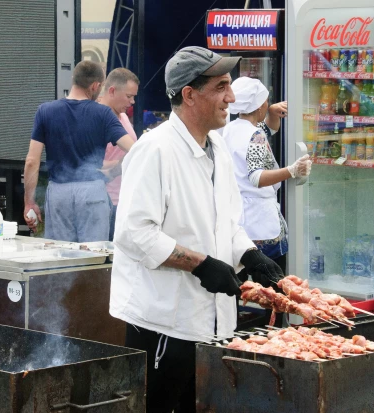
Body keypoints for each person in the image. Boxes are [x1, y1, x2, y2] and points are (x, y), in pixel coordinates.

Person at [109, 46, 285, 413]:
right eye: (221, 87)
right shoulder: (154, 150)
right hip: (164, 322)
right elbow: (134, 233)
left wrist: (249, 254)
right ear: (189, 94)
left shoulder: (217, 148)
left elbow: (228, 222)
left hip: (211, 324)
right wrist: (201, 264)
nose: (232, 98)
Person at [23, 61, 135, 242]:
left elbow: (31, 161)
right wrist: (114, 171)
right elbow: (134, 150)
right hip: (93, 192)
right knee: (93, 258)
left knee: (60, 257)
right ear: (96, 86)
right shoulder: (103, 114)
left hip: (59, 194)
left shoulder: (45, 111)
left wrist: (29, 201)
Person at [223, 77, 312, 272]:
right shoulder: (255, 136)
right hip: (261, 225)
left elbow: (269, 128)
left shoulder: (231, 129)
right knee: (274, 283)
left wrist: (272, 112)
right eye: (265, 101)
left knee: (241, 282)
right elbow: (256, 177)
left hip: (240, 219)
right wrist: (292, 170)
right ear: (257, 106)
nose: (267, 103)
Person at [96, 68, 139, 241]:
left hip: (124, 200)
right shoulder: (96, 116)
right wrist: (120, 165)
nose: (132, 101)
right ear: (112, 91)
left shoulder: (122, 115)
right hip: (106, 201)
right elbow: (89, 164)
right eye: (129, 96)